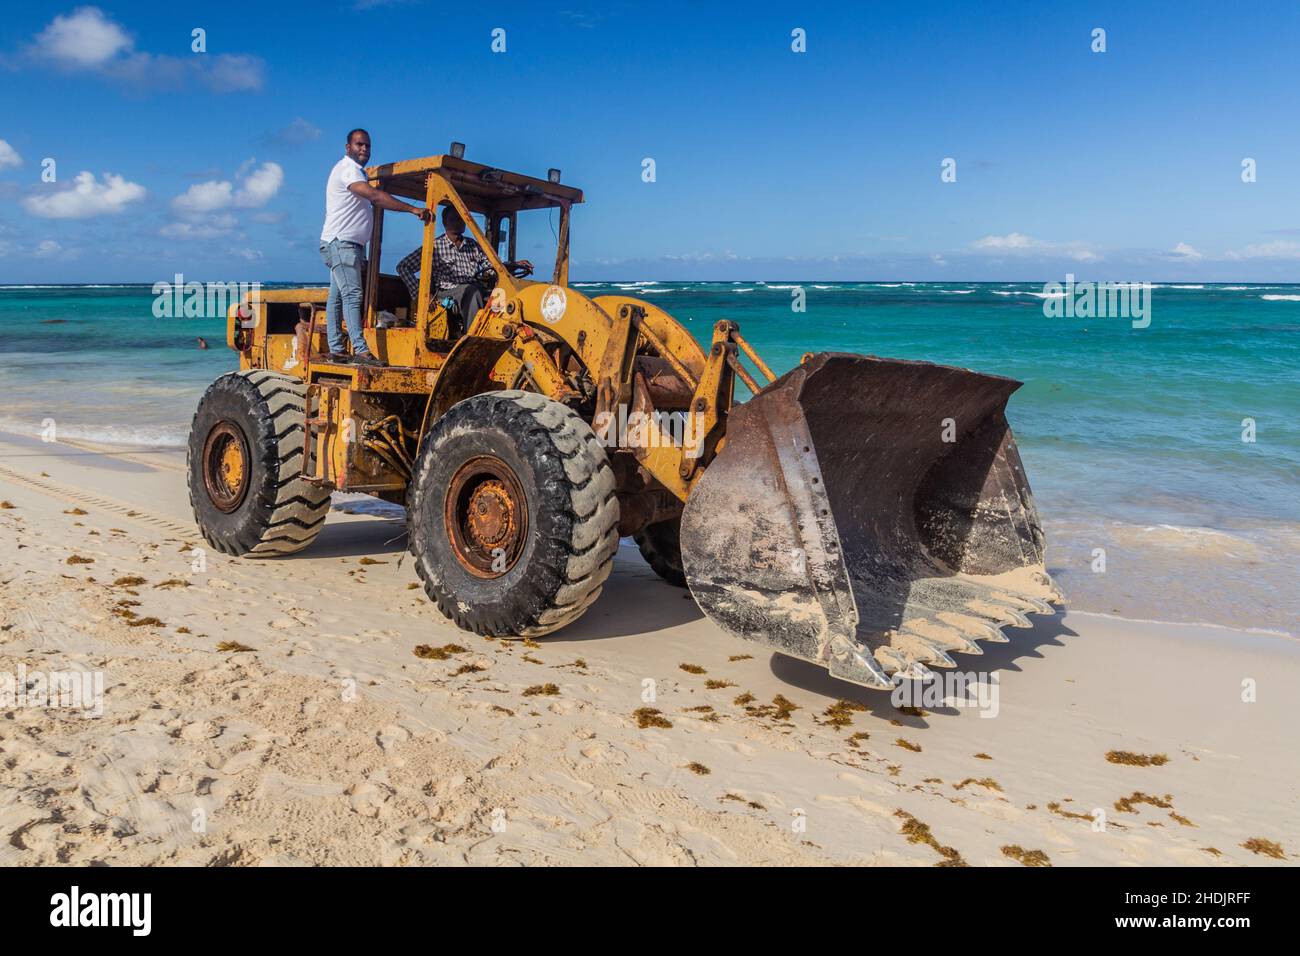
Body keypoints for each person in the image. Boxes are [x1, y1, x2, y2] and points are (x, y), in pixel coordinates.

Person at [320, 128, 431, 365]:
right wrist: (412, 209)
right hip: (342, 244)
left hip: (344, 244)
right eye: (359, 145)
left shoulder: (354, 171)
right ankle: (360, 351)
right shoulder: (348, 170)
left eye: (367, 146)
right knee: (352, 294)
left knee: (337, 297)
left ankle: (337, 349)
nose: (364, 149)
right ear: (348, 147)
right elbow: (375, 196)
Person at [395, 206, 532, 334]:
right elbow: (403, 267)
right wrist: (423, 296)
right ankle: (473, 337)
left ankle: (503, 334)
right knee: (471, 292)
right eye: (453, 219)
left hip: (472, 289)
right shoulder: (434, 247)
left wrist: (512, 266)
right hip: (445, 295)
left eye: (460, 218)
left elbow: (492, 267)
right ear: (444, 222)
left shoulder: (472, 245)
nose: (458, 222)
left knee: (501, 295)